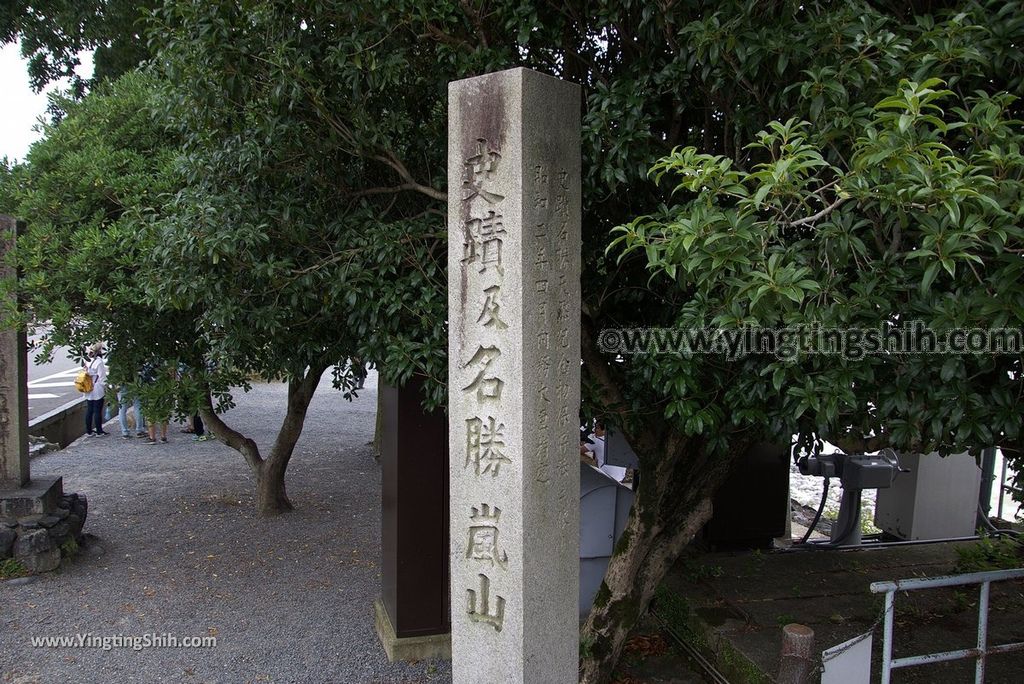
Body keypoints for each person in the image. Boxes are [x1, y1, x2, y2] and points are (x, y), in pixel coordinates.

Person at [84, 343, 109, 437]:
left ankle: (89, 431)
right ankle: (99, 431)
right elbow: (102, 377)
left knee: (89, 410)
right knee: (97, 410)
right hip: (97, 388)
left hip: (88, 387)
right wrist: (107, 387)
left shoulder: (87, 360)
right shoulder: (98, 362)